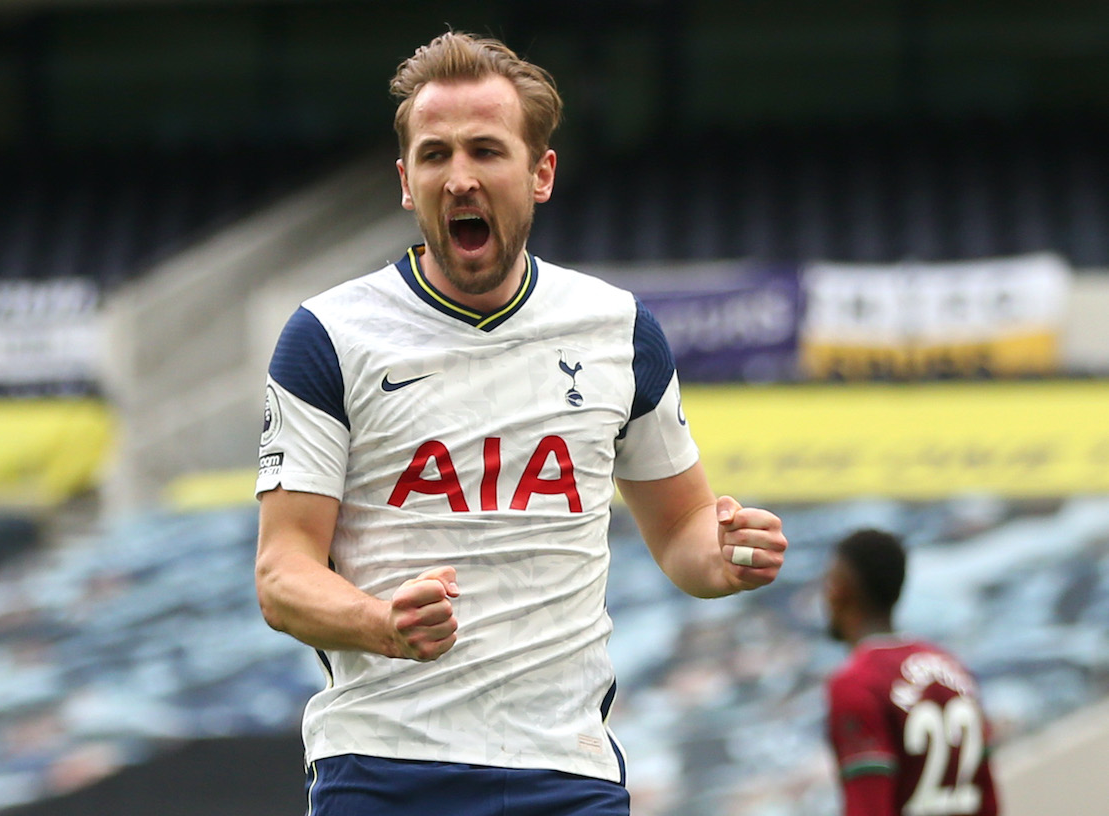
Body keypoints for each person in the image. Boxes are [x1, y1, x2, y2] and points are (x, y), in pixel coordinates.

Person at [253, 30, 788, 816]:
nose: (460, 177)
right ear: (406, 181)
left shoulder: (618, 329)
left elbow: (683, 535)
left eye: (485, 151)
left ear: (540, 173)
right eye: (435, 156)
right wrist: (378, 621)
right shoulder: (329, 335)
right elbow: (281, 575)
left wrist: (729, 550)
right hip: (387, 764)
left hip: (565, 772)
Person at [823, 529, 999, 816]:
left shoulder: (855, 684)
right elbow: (988, 797)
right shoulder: (952, 668)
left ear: (839, 589)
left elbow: (868, 808)